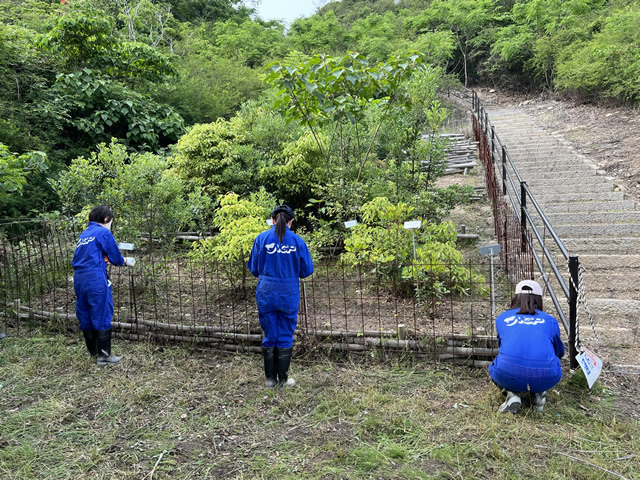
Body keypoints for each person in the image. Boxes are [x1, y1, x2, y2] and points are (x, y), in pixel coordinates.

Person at [247, 205, 314, 388]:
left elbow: (254, 268)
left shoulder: (261, 239)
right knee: (285, 334)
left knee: (269, 334)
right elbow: (307, 270)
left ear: (273, 220)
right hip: (288, 293)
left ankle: (270, 381)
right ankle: (283, 381)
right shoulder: (297, 241)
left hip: (266, 292)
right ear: (291, 221)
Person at [489, 279, 565, 413]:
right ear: (539, 299)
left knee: (495, 366)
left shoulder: (502, 318)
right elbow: (559, 351)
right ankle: (539, 393)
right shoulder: (549, 320)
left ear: (516, 297)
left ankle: (512, 394)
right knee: (552, 364)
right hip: (547, 376)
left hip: (507, 372)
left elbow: (503, 346)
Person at [73, 205, 134, 365]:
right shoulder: (103, 232)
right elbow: (115, 257)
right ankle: (104, 355)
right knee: (101, 311)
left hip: (79, 278)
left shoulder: (85, 234)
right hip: (95, 277)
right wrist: (125, 261)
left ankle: (93, 352)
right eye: (111, 222)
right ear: (106, 219)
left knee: (84, 311)